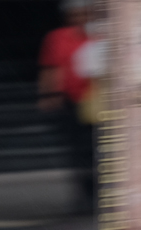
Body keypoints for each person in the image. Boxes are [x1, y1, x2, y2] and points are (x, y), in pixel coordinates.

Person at [37, 0, 93, 215]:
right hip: (71, 102)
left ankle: (99, 194)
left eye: (83, 13)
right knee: (77, 151)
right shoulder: (57, 37)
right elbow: (50, 68)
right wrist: (48, 94)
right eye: (75, 14)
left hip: (97, 102)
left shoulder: (98, 36)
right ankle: (84, 196)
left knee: (97, 151)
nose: (79, 18)